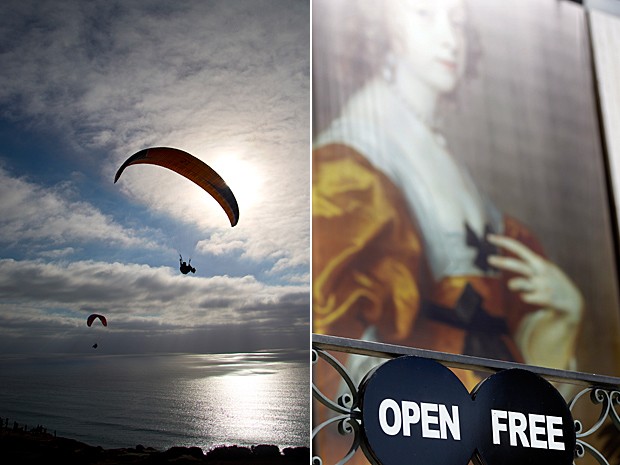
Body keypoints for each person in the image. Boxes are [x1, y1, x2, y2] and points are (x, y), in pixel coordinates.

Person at [312, 0, 584, 463]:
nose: (449, 38)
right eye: (424, 15)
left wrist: (562, 311)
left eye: (457, 22)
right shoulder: (353, 159)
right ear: (384, 27)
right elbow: (339, 337)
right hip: (429, 414)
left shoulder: (437, 148)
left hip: (489, 415)